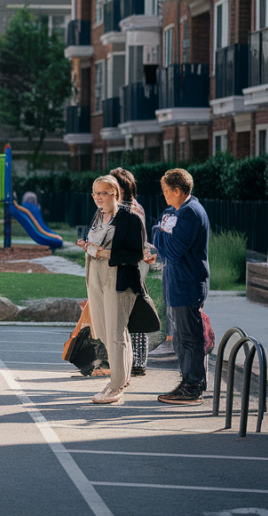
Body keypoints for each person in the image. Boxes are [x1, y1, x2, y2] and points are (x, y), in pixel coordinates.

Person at [75, 175, 144, 405]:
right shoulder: (98, 216)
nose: (98, 198)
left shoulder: (130, 219)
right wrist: (87, 247)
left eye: (103, 193)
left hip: (118, 279)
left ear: (115, 193)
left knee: (116, 333)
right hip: (95, 277)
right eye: (95, 193)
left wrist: (105, 253)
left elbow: (136, 254)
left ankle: (116, 385)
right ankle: (119, 378)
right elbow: (97, 244)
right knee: (104, 332)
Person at [152, 168, 211, 406]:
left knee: (189, 337)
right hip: (176, 281)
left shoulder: (190, 213)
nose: (164, 195)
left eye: (167, 190)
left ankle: (193, 386)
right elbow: (160, 242)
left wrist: (161, 230)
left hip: (188, 282)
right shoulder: (173, 211)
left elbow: (173, 251)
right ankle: (188, 380)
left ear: (178, 190)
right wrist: (162, 231)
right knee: (180, 337)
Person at [110, 167, 154, 377]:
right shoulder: (138, 207)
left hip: (122, 265)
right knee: (137, 311)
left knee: (120, 314)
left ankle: (123, 360)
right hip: (140, 265)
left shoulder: (117, 211)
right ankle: (139, 361)